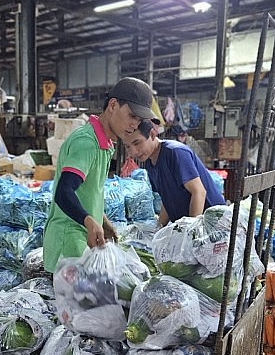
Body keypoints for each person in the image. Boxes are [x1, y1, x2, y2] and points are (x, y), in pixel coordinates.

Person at [43, 77, 159, 273]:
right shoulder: (87, 142)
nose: (134, 125)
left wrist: (102, 221)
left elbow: (87, 191)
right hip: (69, 243)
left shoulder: (104, 144)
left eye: (139, 120)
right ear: (113, 105)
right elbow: (64, 192)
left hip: (82, 240)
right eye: (131, 116)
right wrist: (89, 221)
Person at [121, 119, 224, 226]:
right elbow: (168, 199)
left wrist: (191, 232)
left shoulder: (175, 152)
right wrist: (159, 227)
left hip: (213, 222)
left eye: (137, 143)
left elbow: (199, 192)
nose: (132, 152)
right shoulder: (149, 163)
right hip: (186, 224)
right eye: (127, 146)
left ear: (152, 134)